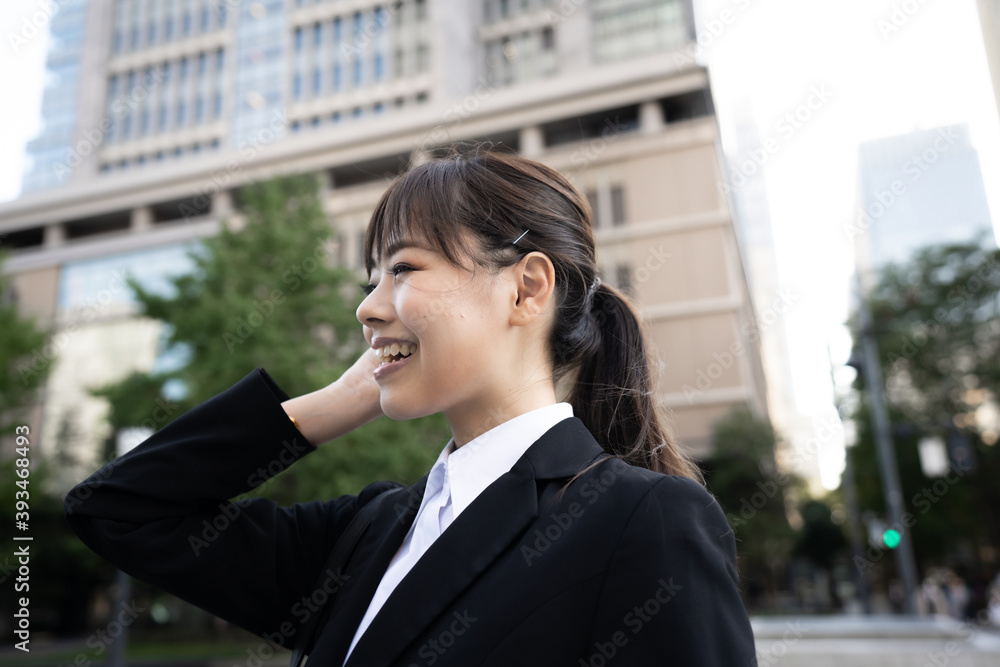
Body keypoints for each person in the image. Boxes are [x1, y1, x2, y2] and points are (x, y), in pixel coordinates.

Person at [65, 149, 758, 666]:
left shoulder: (644, 520)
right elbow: (118, 508)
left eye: (403, 269)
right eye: (372, 279)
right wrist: (336, 402)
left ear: (526, 290)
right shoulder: (370, 531)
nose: (368, 308)